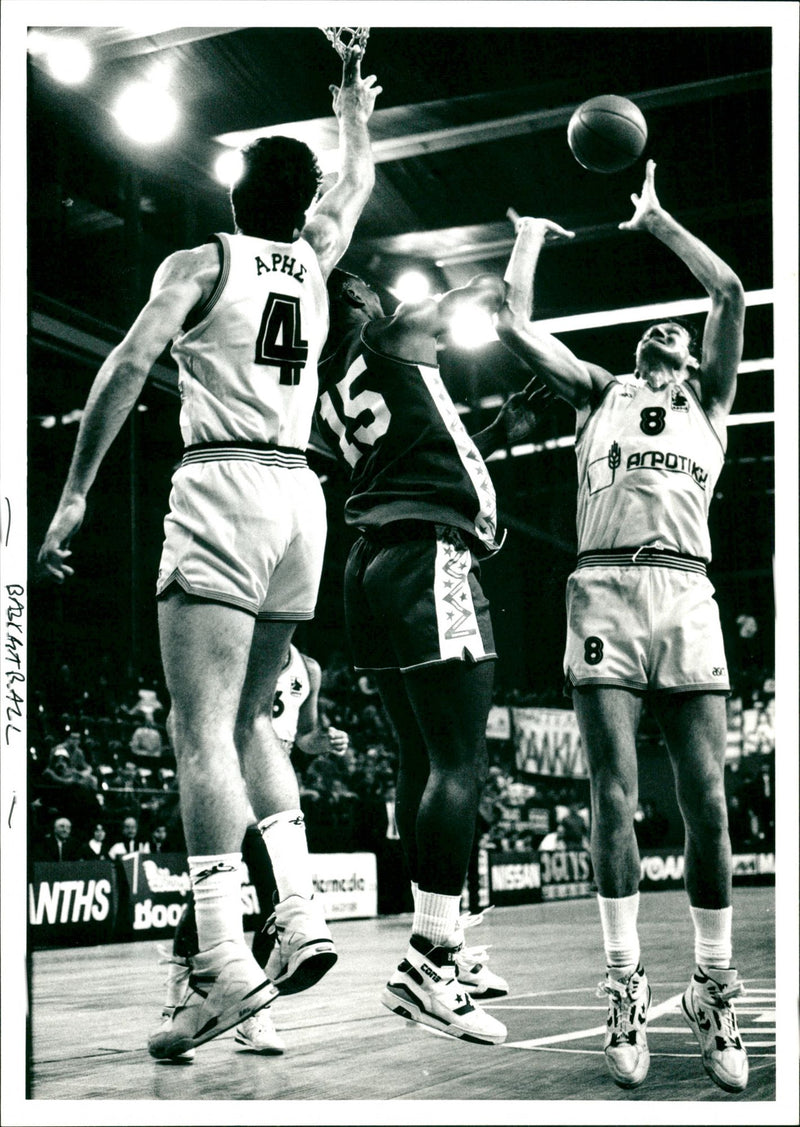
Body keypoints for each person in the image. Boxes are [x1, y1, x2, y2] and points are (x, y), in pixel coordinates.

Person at [36, 45, 381, 1061]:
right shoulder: (318, 256)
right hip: (300, 500)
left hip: (225, 485)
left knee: (199, 731)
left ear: (232, 193)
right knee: (250, 722)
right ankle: (302, 911)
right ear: (301, 199)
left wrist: (74, 494)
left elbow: (127, 360)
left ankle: (227, 956)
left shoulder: (199, 261)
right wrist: (350, 103)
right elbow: (353, 179)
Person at [496, 161, 748, 1093]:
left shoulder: (710, 405)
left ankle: (714, 984)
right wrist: (528, 243)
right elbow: (513, 327)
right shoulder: (597, 389)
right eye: (658, 326)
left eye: (678, 335)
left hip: (687, 594)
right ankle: (624, 982)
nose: (668, 328)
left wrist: (657, 220)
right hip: (603, 588)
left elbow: (723, 288)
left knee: (709, 800)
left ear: (689, 362)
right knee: (614, 794)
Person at [313, 264, 544, 1045]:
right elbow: (492, 299)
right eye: (371, 288)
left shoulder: (324, 376)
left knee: (420, 755)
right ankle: (429, 961)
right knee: (460, 759)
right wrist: (521, 249)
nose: (384, 294)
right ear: (357, 301)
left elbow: (407, 450)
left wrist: (492, 433)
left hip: (368, 562)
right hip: (426, 556)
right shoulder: (392, 329)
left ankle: (444, 940)